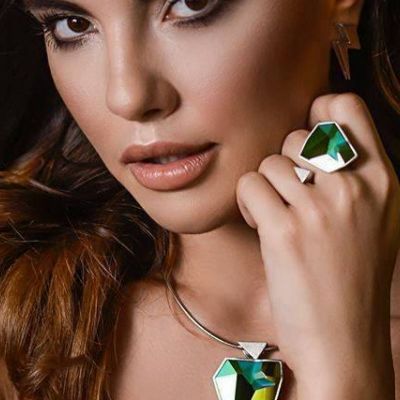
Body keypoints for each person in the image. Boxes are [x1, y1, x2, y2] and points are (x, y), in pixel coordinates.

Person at [0, 0, 400, 399]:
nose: (127, 97)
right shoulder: (24, 329)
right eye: (72, 25)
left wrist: (348, 361)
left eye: (190, 4)